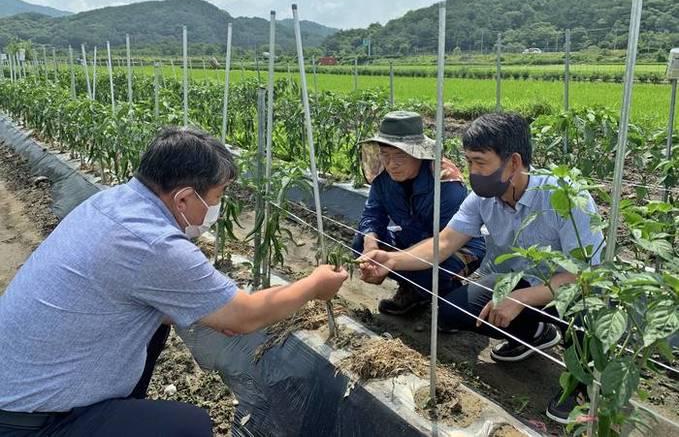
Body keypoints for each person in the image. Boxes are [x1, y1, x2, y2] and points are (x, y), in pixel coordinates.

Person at [0, 127, 348, 436]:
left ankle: (119, 411)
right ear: (183, 198)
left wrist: (211, 310)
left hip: (18, 390)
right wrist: (314, 284)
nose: (218, 207)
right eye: (217, 196)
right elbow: (245, 316)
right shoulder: (152, 242)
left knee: (158, 322)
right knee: (187, 426)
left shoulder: (114, 202)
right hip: (31, 421)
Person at [358, 113, 604, 423]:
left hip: (572, 290)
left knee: (588, 312)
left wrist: (520, 300)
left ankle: (581, 385)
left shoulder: (567, 197)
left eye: (479, 162)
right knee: (449, 312)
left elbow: (584, 275)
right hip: (519, 283)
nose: (471, 172)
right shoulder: (482, 199)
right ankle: (535, 333)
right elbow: (444, 243)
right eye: (469, 161)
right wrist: (390, 259)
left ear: (513, 163)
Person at [353, 111, 485, 316]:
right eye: (385, 155)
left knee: (433, 273)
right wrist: (370, 245)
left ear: (418, 153)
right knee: (360, 243)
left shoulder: (445, 182)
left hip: (457, 245)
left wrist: (393, 259)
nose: (391, 164)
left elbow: (446, 241)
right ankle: (412, 291)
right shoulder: (383, 178)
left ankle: (452, 301)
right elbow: (372, 215)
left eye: (400, 156)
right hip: (414, 237)